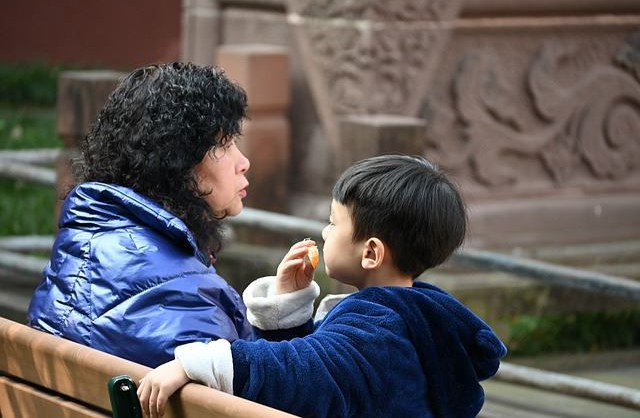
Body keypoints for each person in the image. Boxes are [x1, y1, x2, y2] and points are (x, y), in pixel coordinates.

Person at [137, 154, 508, 418]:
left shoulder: (377, 328)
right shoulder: (411, 314)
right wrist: (290, 307)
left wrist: (198, 363)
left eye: (334, 224)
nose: (325, 233)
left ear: (371, 253)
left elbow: (305, 376)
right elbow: (328, 372)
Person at [27, 62, 254, 368]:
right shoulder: (189, 300)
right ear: (177, 160)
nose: (244, 162)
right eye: (224, 144)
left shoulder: (82, 243)